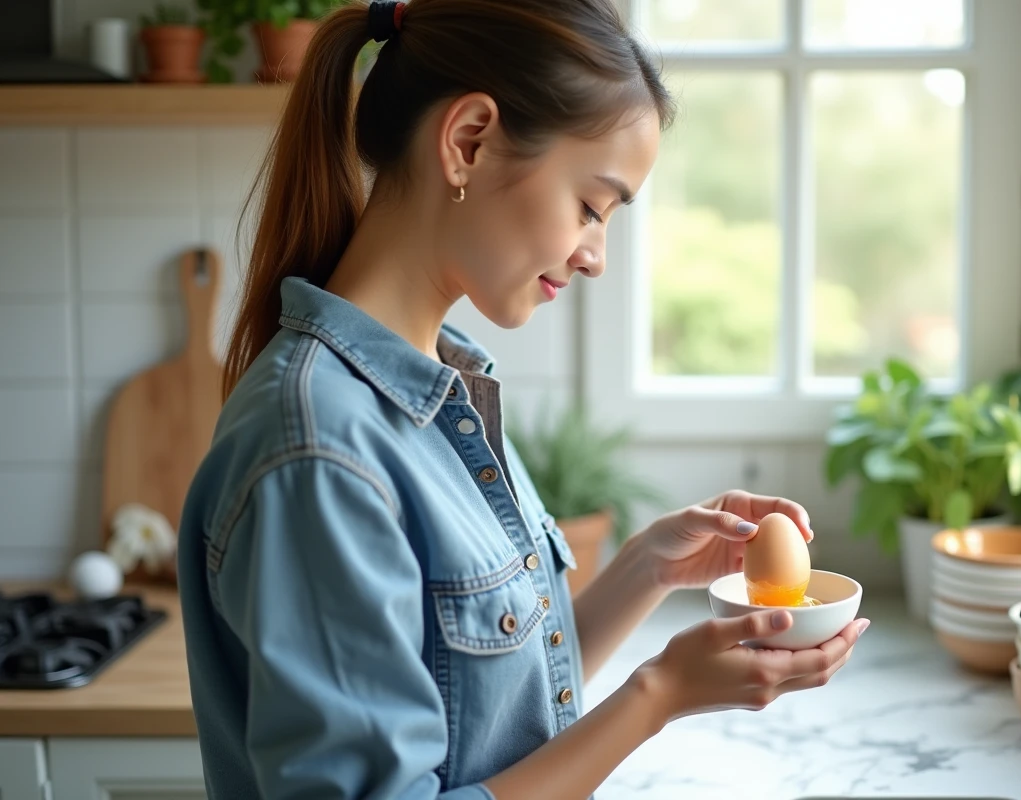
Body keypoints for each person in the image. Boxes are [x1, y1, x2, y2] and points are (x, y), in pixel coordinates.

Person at [175, 1, 869, 798]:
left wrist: (647, 568)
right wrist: (659, 696)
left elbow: (492, 701)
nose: (596, 256)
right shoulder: (321, 452)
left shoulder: (437, 392)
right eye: (590, 207)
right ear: (468, 140)